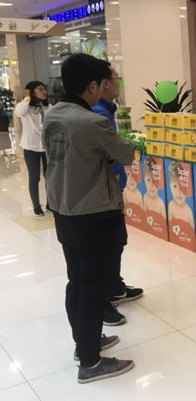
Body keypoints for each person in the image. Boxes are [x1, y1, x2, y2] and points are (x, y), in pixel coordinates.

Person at [43, 53, 135, 384]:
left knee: (78, 281)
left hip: (64, 210)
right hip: (94, 212)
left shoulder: (53, 115)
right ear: (93, 86)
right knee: (94, 286)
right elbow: (125, 154)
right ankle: (91, 362)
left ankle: (85, 343)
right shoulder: (92, 121)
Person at [91, 66, 143, 325]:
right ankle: (107, 297)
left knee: (116, 241)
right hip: (104, 192)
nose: (119, 83)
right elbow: (119, 153)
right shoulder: (99, 115)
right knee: (109, 244)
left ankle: (115, 286)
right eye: (116, 79)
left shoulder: (106, 111)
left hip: (111, 188)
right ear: (103, 84)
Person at [15, 81, 51, 216]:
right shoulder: (24, 107)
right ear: (31, 92)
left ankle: (50, 204)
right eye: (40, 89)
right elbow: (19, 112)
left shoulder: (48, 107)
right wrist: (27, 98)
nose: (44, 92)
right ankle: (36, 206)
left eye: (44, 89)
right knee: (34, 177)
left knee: (50, 177)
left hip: (47, 147)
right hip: (31, 146)